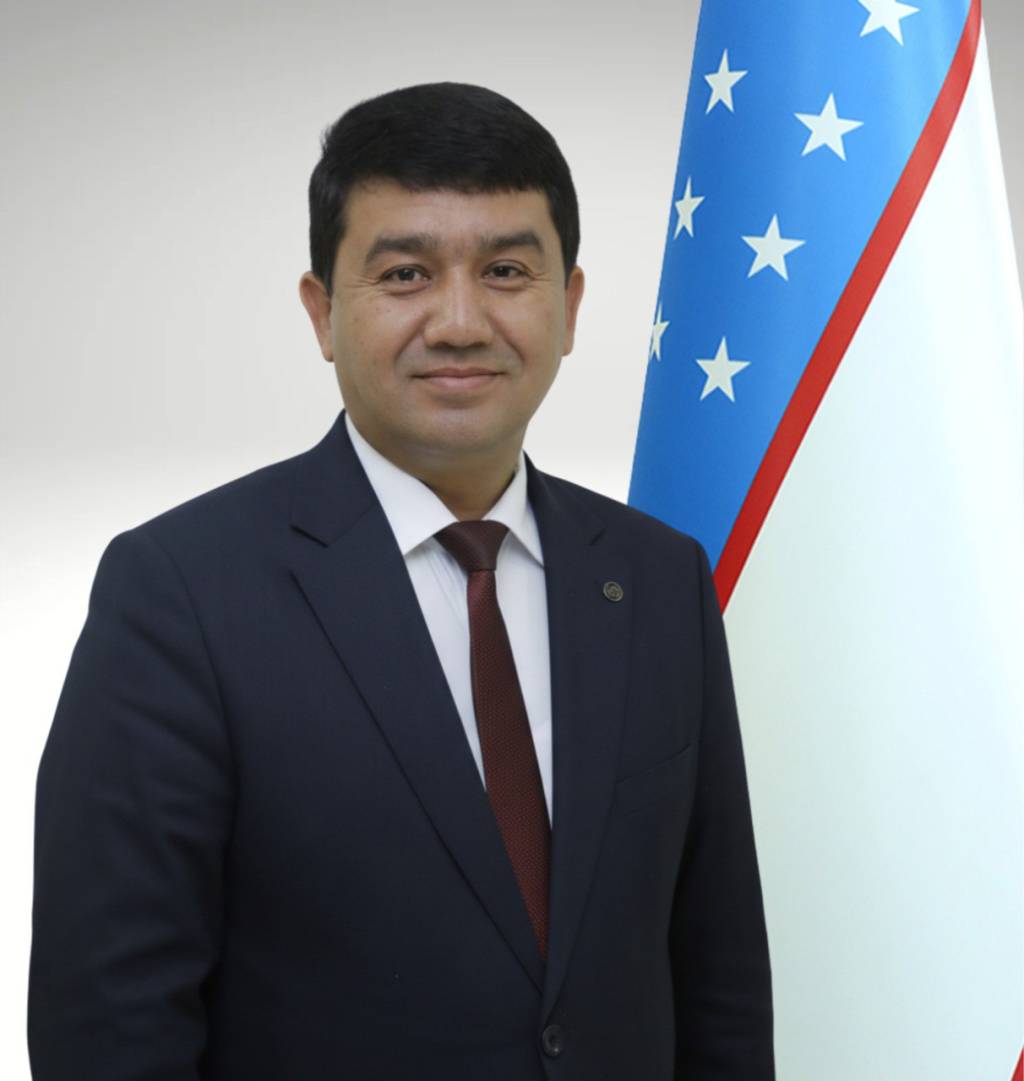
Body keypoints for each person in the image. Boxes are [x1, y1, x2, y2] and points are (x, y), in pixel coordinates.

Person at [28, 82, 774, 1080]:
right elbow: (109, 1024)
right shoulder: (180, 594)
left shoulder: (657, 577)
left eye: (505, 270)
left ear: (568, 306)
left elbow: (719, 985)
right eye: (406, 274)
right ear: (322, 312)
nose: (459, 322)